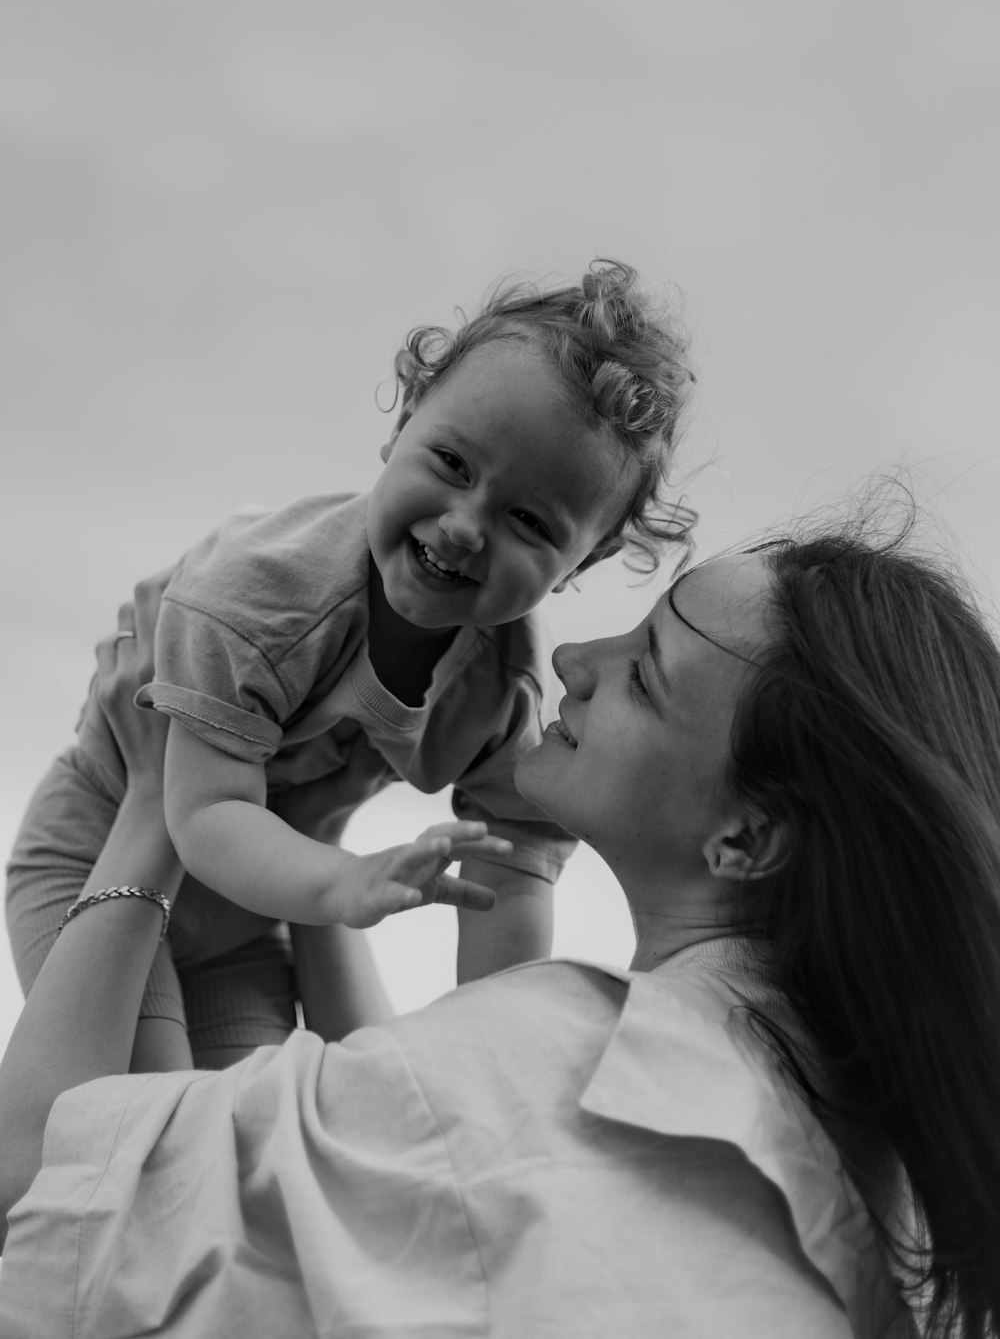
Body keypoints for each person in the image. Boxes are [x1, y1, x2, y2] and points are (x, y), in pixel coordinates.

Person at [5, 495, 1000, 1337]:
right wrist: (313, 863)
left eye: (645, 675)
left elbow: (45, 1189)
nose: (573, 662)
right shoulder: (877, 1186)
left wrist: (151, 805)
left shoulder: (536, 1075)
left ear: (746, 840)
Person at [5, 259, 695, 1071]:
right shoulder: (260, 594)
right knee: (151, 1124)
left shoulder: (502, 691)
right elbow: (207, 814)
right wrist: (343, 883)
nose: (467, 525)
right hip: (102, 858)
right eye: (452, 465)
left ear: (585, 560)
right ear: (401, 425)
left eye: (530, 521)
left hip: (244, 923)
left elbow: (509, 878)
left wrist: (500, 1060)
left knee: (239, 1144)